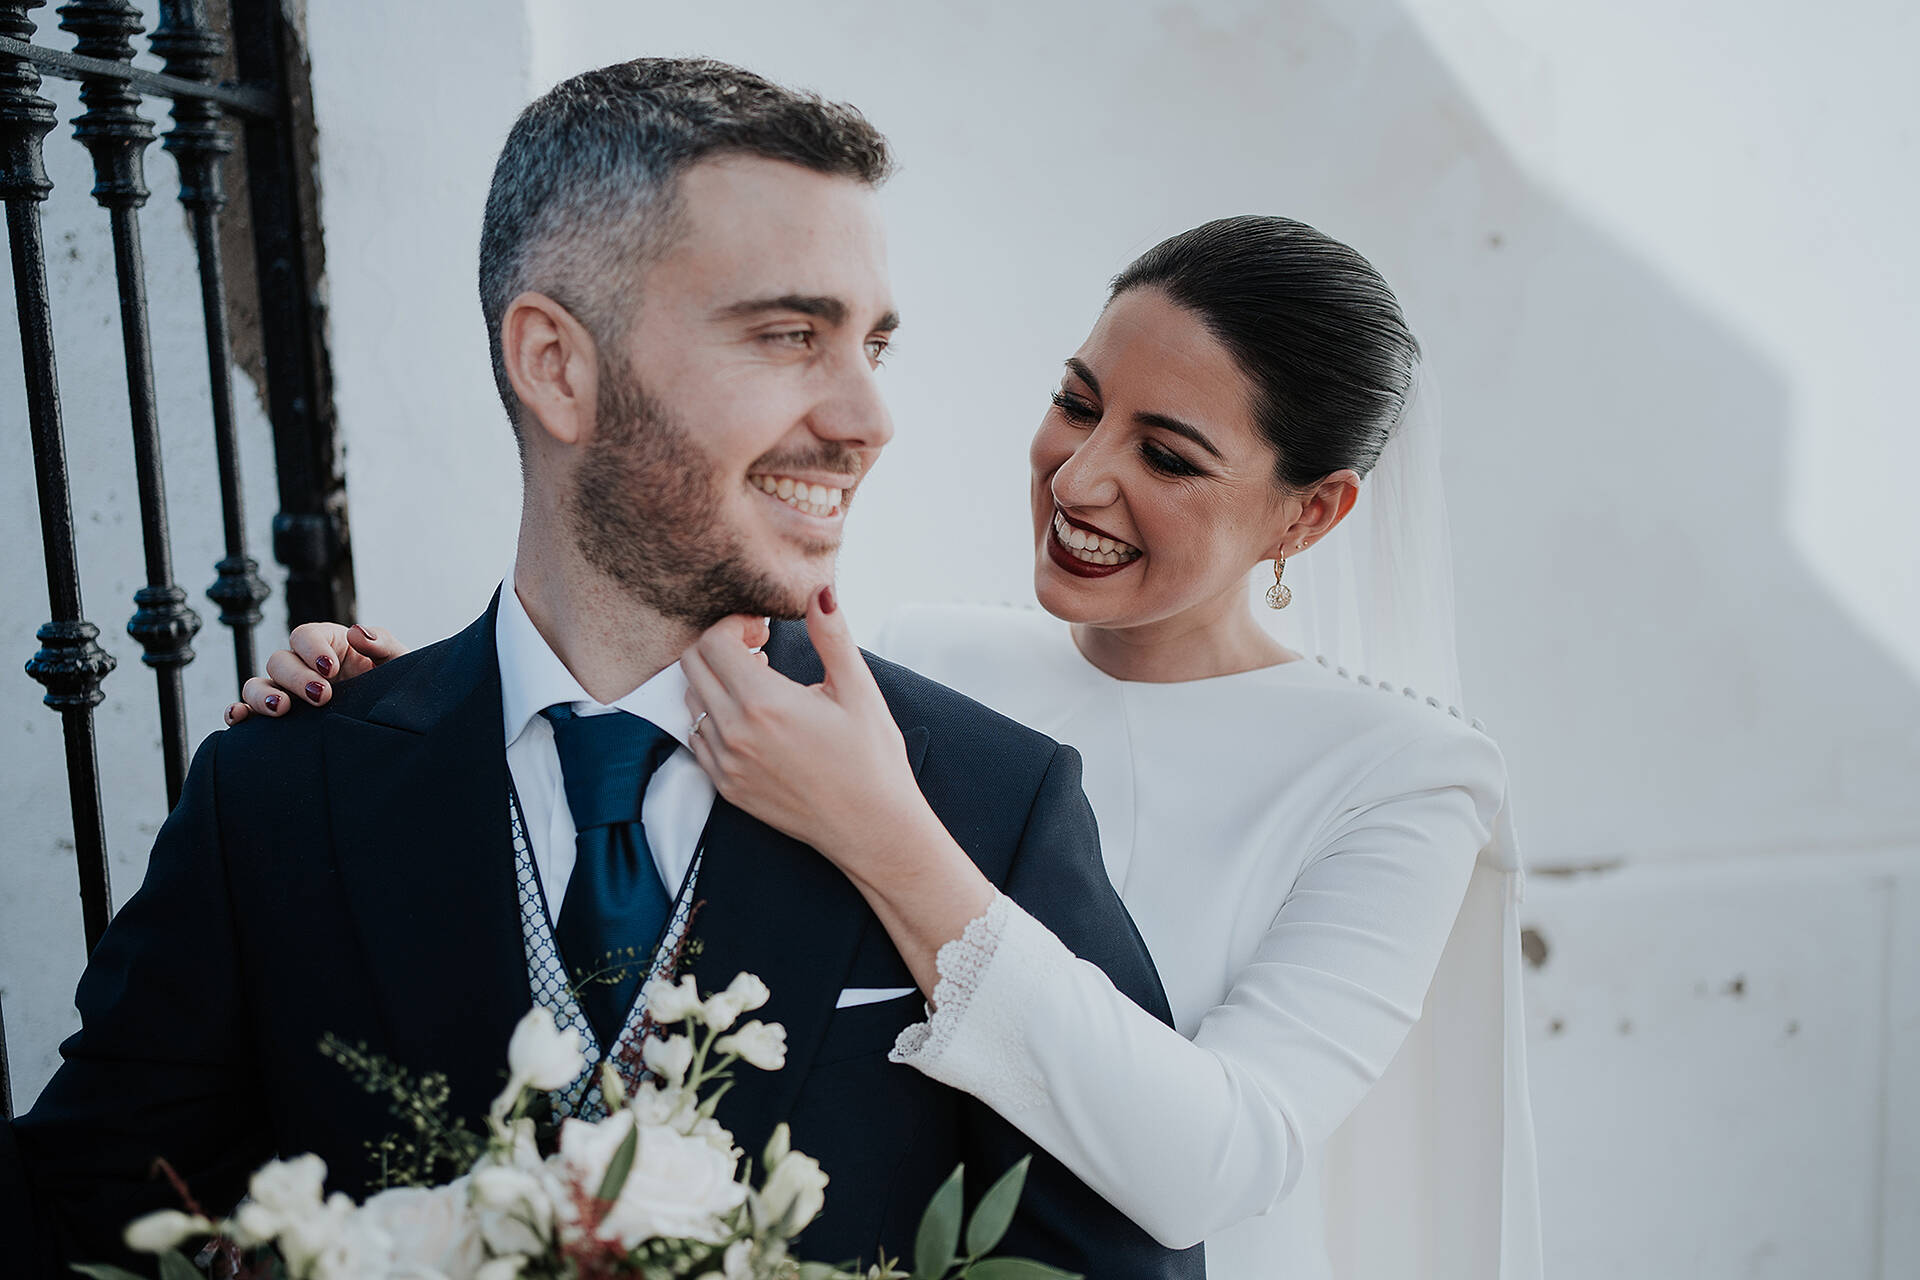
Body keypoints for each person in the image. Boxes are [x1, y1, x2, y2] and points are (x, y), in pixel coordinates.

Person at [11, 59, 1202, 1279]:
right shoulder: (279, 794)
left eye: (873, 346)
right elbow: (80, 1222)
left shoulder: (989, 801)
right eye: (791, 334)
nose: (866, 417)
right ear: (556, 364)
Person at [245, 218, 1544, 1280]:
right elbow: (645, 780)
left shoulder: (1404, 777)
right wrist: (401, 711)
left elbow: (1207, 1166)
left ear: (1312, 513)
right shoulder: (929, 657)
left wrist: (888, 830)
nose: (1081, 479)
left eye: (1167, 456)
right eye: (1076, 403)